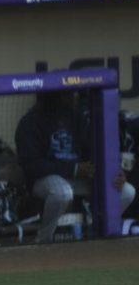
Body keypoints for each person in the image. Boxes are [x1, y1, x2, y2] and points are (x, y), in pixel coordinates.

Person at [15, 92, 135, 242]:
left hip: (79, 178)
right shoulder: (30, 122)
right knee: (62, 193)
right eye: (68, 94)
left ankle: (98, 232)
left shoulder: (75, 117)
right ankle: (44, 239)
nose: (74, 97)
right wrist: (74, 168)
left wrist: (114, 171)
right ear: (54, 96)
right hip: (44, 181)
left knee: (127, 192)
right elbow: (32, 166)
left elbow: (93, 149)